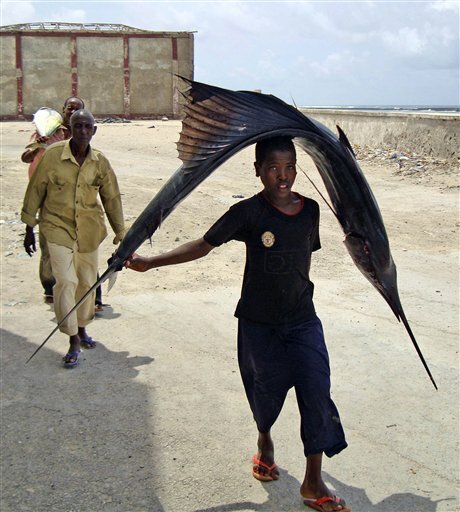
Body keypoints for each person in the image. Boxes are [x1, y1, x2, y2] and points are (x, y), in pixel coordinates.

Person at [125, 136, 350, 511]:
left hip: (302, 321)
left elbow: (303, 258)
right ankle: (265, 441)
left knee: (317, 391)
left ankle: (313, 482)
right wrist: (152, 262)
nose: (283, 176)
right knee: (265, 393)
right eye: (274, 168)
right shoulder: (247, 213)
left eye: (290, 167)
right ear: (258, 170)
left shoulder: (311, 210)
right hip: (258, 324)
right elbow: (203, 244)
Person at [21, 109, 126, 368]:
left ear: (94, 131)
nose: (82, 131)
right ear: (69, 129)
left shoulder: (100, 162)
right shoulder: (53, 156)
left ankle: (82, 327)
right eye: (77, 126)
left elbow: (111, 198)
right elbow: (35, 190)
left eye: (86, 127)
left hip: (89, 230)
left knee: (87, 283)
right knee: (66, 281)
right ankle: (72, 339)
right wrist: (29, 227)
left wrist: (121, 234)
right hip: (57, 227)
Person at [21, 96, 105, 310]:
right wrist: (40, 144)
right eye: (69, 108)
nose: (72, 112)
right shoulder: (47, 129)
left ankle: (93, 296)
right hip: (48, 195)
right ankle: (50, 289)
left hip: (75, 196)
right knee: (50, 245)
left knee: (84, 245)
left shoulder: (80, 132)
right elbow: (26, 156)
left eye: (76, 109)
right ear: (63, 110)